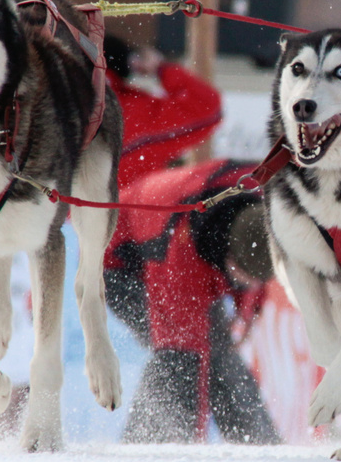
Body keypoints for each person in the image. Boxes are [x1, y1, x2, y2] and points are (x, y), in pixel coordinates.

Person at [104, 159, 281, 445]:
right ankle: (163, 444)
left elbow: (256, 253)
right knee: (181, 357)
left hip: (177, 231)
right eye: (241, 278)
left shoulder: (263, 206)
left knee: (212, 349)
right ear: (226, 256)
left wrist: (249, 309)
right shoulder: (181, 256)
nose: (245, 286)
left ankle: (257, 442)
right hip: (118, 268)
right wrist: (195, 442)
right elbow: (184, 346)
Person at [102, 34, 223, 188]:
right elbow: (208, 110)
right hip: (119, 209)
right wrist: (159, 68)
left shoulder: (68, 103)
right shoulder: (127, 112)